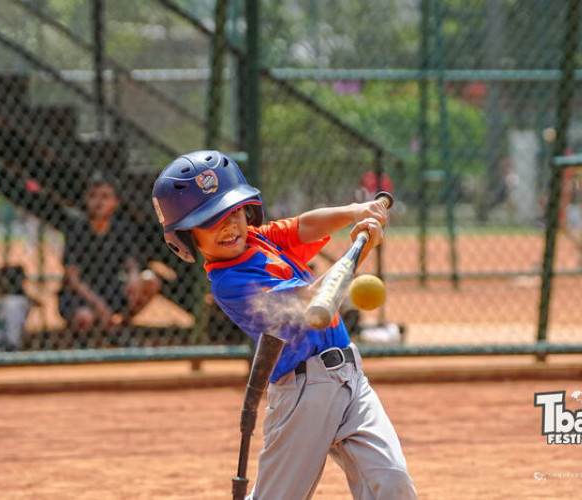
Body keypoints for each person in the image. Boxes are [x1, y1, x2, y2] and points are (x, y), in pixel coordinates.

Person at [152, 151, 416, 499]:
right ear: (185, 238)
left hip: (351, 379)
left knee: (392, 483)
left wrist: (356, 212)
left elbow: (304, 227)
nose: (230, 226)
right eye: (212, 221)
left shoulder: (258, 239)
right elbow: (311, 302)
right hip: (303, 394)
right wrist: (359, 250)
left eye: (234, 212)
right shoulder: (230, 282)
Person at [59, 172, 160, 334]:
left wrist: (133, 274)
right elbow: (73, 278)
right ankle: (90, 337)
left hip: (110, 289)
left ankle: (121, 327)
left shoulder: (120, 228)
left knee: (150, 280)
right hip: (82, 296)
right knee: (85, 318)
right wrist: (99, 306)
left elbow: (130, 260)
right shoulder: (76, 229)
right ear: (86, 200)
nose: (99, 202)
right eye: (93, 196)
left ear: (115, 203)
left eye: (105, 197)